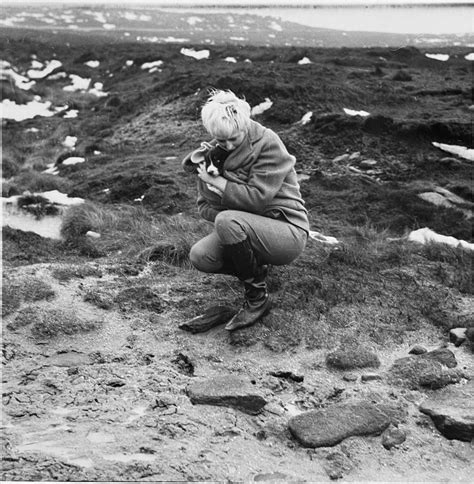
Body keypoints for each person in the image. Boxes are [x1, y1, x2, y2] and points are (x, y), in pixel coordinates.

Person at [182, 89, 309, 331]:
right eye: (221, 141)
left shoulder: (267, 143)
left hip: (287, 231)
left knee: (228, 220)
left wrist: (219, 185)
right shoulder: (213, 157)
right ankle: (255, 271)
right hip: (248, 230)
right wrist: (217, 197)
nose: (228, 145)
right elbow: (204, 208)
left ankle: (257, 300)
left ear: (244, 124)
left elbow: (257, 200)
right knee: (201, 256)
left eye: (234, 138)